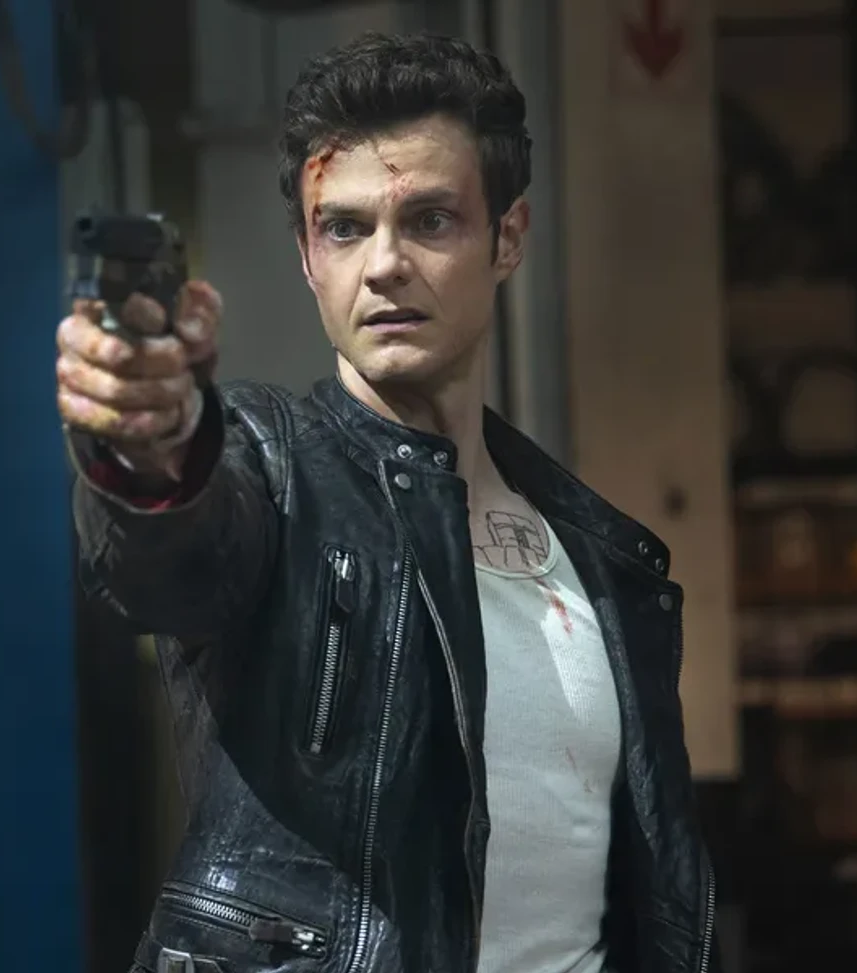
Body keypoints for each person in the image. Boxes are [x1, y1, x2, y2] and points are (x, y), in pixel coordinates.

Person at [57, 31, 718, 973]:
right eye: (344, 228)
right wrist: (150, 445)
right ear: (306, 255)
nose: (384, 264)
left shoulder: (605, 559)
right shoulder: (270, 470)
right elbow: (174, 555)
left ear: (508, 237)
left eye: (431, 220)